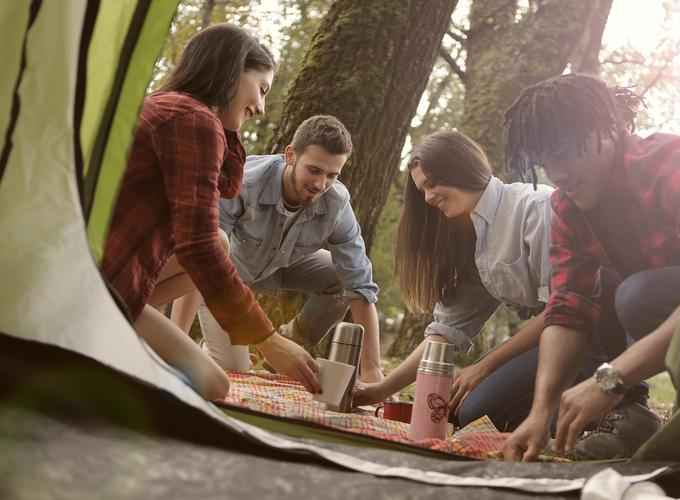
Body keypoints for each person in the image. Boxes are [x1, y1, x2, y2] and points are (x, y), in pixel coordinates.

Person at [501, 74, 680, 461]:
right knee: (614, 289)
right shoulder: (568, 208)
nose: (558, 173)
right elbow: (568, 311)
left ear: (609, 130)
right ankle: (634, 417)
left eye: (565, 152)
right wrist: (540, 412)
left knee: (638, 294)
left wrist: (610, 380)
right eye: (545, 161)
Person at [101, 24, 321, 400]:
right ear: (232, 71)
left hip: (108, 269)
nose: (262, 106)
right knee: (213, 385)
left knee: (222, 240)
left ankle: (117, 337)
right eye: (262, 88)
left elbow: (224, 191)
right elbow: (196, 244)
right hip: (102, 282)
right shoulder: (194, 120)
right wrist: (268, 340)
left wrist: (228, 122)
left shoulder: (174, 108)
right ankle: (103, 357)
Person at [354, 130, 558, 428]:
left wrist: (484, 366)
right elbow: (445, 332)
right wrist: (380, 391)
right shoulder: (473, 240)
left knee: (479, 410)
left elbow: (563, 308)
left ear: (459, 168)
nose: (427, 197)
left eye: (431, 184)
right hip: (552, 335)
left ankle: (607, 408)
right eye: (422, 190)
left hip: (588, 333)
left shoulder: (535, 209)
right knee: (462, 409)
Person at [171, 115, 384, 383]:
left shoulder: (337, 204)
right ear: (291, 155)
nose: (321, 184)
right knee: (235, 370)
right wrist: (174, 340)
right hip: (228, 277)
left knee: (343, 276)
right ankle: (217, 349)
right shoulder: (244, 182)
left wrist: (373, 370)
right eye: (314, 170)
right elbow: (201, 254)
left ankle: (289, 343)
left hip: (281, 268)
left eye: (332, 175)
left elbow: (361, 286)